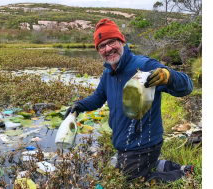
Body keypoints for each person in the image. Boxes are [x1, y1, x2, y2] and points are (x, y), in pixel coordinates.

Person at [64, 18, 194, 183]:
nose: (108, 49)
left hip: (144, 144)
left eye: (111, 42)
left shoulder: (144, 66)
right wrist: (79, 106)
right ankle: (167, 166)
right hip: (125, 143)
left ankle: (185, 175)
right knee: (126, 169)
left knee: (129, 180)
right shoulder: (109, 72)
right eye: (102, 46)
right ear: (98, 50)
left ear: (121, 41)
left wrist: (168, 77)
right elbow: (98, 98)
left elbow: (187, 86)